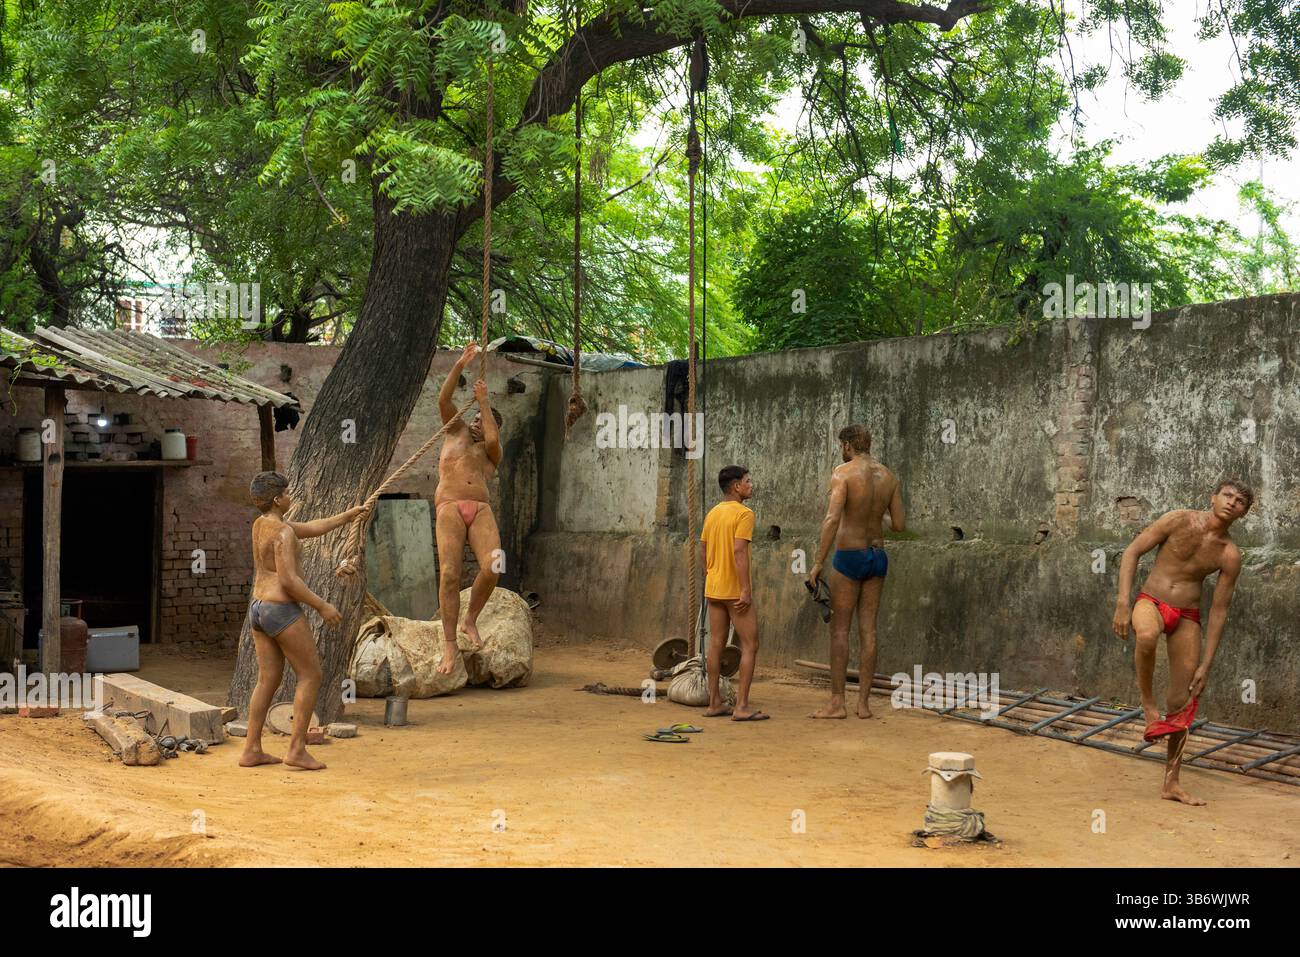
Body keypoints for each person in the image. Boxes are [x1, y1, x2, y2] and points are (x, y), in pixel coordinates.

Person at [1112, 480, 1253, 805]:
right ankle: (1148, 704)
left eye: (1241, 501)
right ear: (1213, 497)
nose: (1233, 502)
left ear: (1244, 512)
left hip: (1187, 617)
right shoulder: (1178, 519)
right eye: (1228, 495)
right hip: (1151, 601)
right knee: (1145, 635)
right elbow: (1133, 551)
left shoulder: (1229, 554)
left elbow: (1219, 610)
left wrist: (1206, 663)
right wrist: (1123, 602)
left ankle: (1171, 782)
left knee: (1182, 700)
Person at [242, 471, 366, 771]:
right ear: (277, 499)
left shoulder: (262, 525)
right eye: (286, 493)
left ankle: (251, 749)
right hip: (280, 610)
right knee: (311, 675)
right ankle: (296, 749)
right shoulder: (283, 532)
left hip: (258, 609)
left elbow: (311, 528)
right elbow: (289, 581)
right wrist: (322, 606)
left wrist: (348, 516)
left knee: (266, 680)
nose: (290, 497)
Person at [807, 424, 904, 719]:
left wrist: (817, 562)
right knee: (869, 630)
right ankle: (863, 704)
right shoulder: (888, 476)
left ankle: (838, 703)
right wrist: (876, 511)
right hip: (877, 556)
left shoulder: (843, 473)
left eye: (842, 445)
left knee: (839, 629)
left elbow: (831, 519)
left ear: (848, 445)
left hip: (849, 556)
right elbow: (899, 525)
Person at [434, 341, 503, 675]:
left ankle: (470, 619)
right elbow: (444, 400)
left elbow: (491, 440)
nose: (477, 422)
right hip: (449, 505)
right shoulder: (455, 430)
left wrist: (485, 402)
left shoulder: (491, 452)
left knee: (494, 566)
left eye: (483, 419)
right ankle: (449, 645)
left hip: (480, 509)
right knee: (449, 574)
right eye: (475, 417)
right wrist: (460, 364)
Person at [699, 465, 767, 721]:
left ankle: (714, 702)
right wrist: (745, 589)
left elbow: (703, 550)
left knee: (716, 643)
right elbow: (739, 551)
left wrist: (712, 576)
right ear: (736, 486)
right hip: (734, 591)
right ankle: (741, 707)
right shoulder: (744, 514)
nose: (751, 485)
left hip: (714, 588)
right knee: (751, 644)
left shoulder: (713, 513)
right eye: (748, 481)